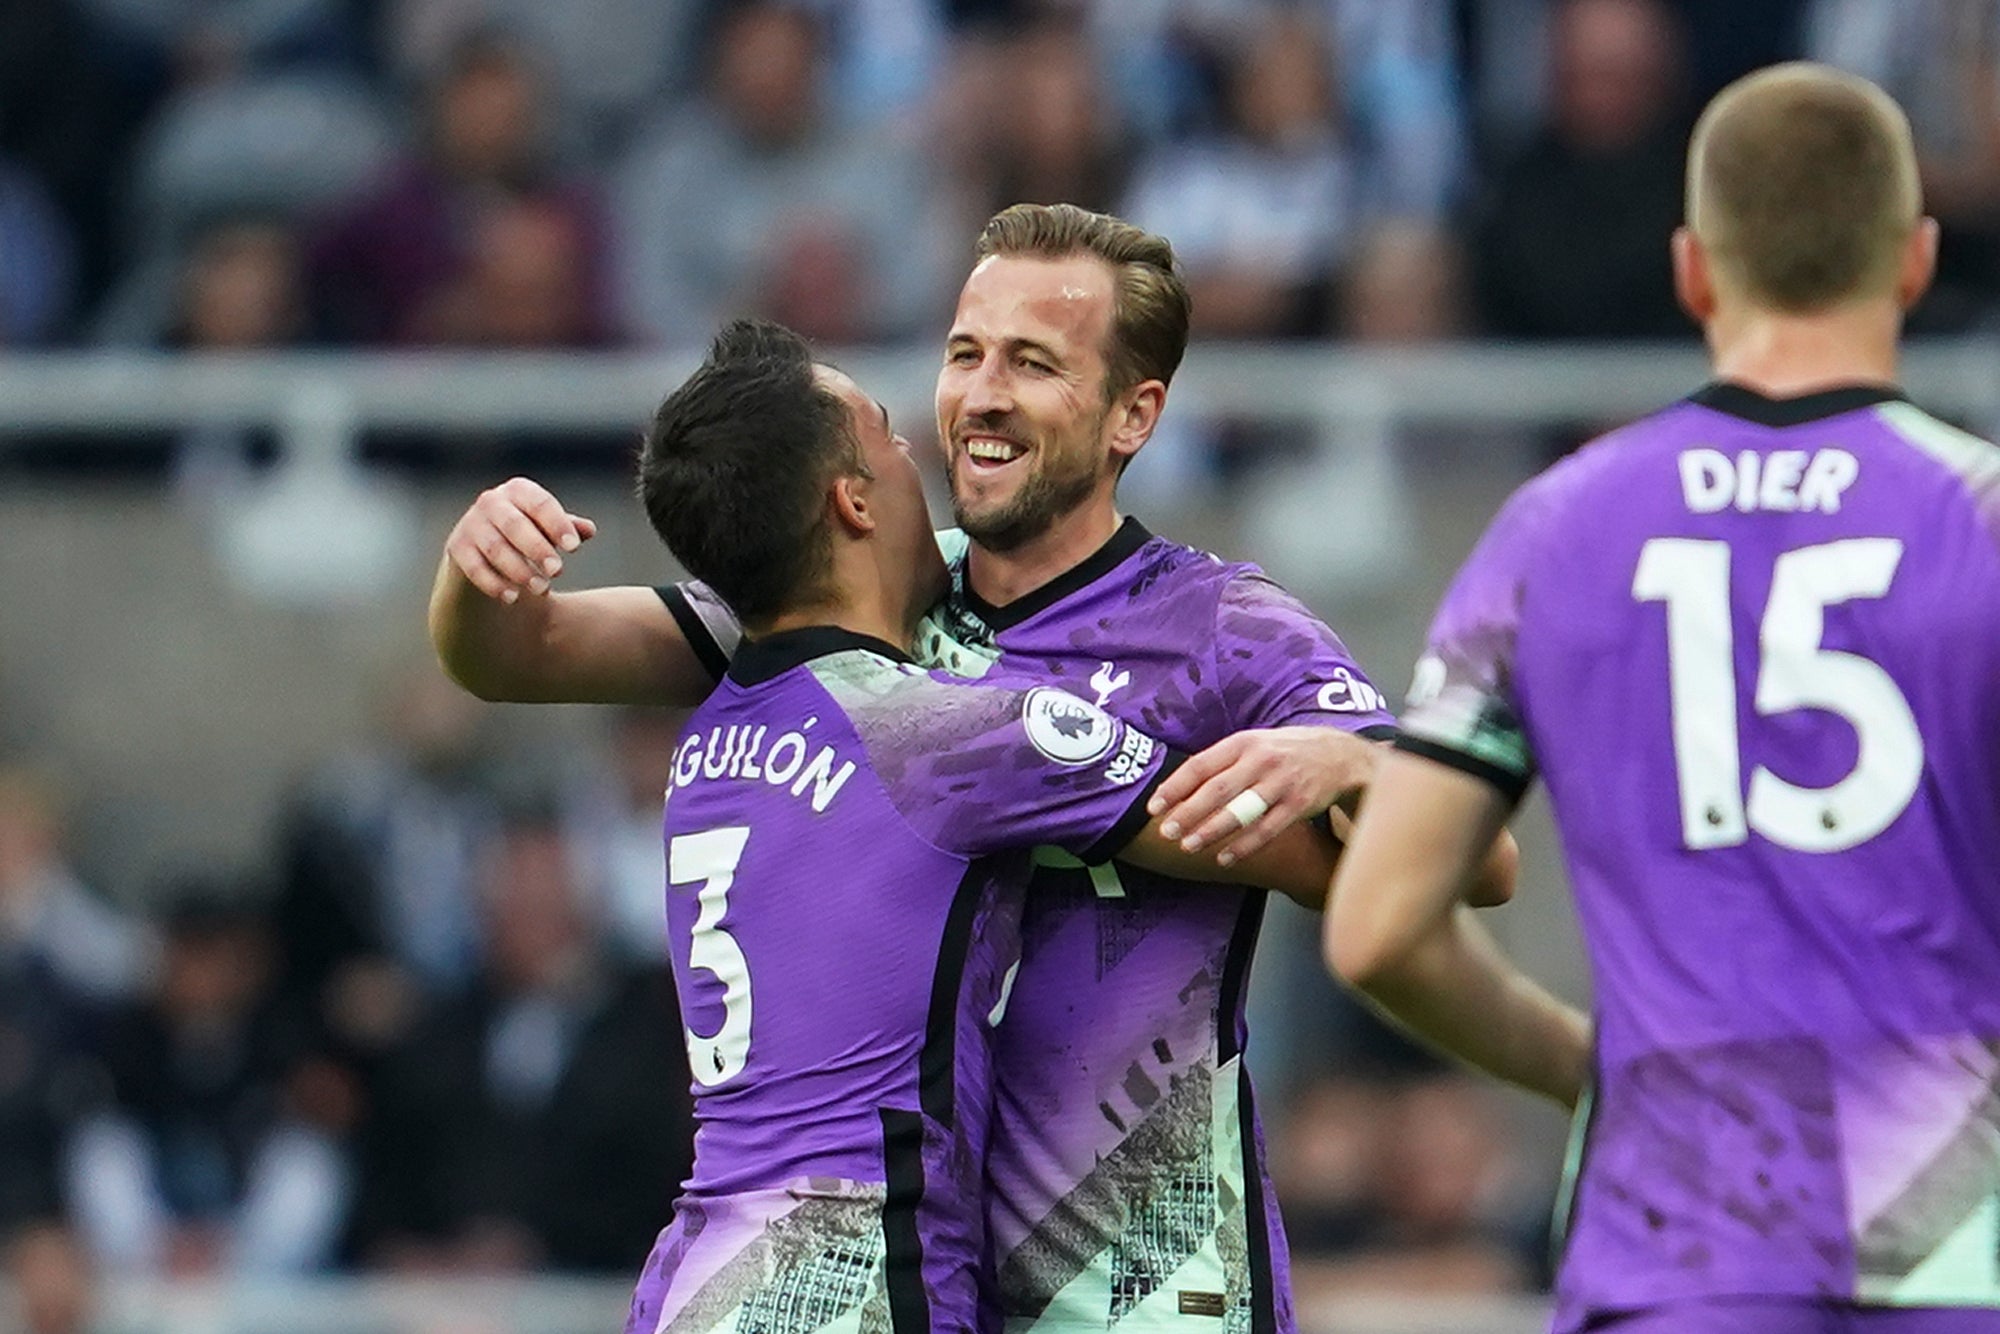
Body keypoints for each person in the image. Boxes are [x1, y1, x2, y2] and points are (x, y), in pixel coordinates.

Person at [430, 203, 1514, 1334]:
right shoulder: (871, 601)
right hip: (915, 1287)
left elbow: (1472, 859)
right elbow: (519, 654)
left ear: (1130, 413)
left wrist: (1346, 757)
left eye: (1032, 363)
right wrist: (478, 564)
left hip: (1147, 1298)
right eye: (964, 353)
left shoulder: (1228, 632)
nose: (980, 394)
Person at [1327, 63, 2000, 1334]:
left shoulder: (1556, 526)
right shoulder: (1982, 516)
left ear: (1693, 269)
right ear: (1912, 261)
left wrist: (1592, 1069)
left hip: (1676, 1254)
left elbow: (1376, 927)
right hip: (1958, 1249)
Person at [613, 318, 1343, 1333]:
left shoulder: (707, 743)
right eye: (888, 438)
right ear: (851, 499)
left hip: (693, 1277)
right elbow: (1303, 855)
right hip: (856, 1277)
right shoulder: (947, 730)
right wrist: (1348, 758)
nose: (924, 450)